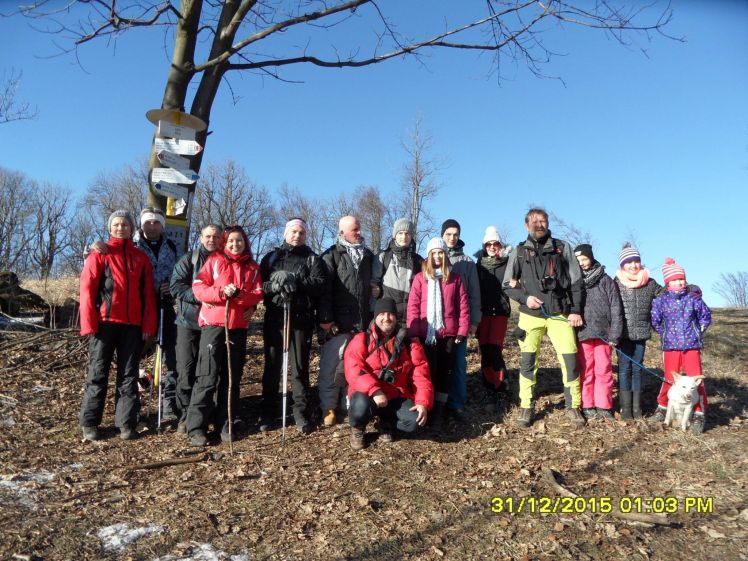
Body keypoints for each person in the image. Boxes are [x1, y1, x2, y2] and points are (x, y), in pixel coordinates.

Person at [502, 208, 586, 428]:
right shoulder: (519, 251)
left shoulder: (562, 248)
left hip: (560, 314)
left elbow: (577, 282)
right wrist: (524, 298)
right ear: (526, 225)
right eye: (535, 221)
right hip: (530, 315)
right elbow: (506, 285)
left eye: (543, 221)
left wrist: (576, 310)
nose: (539, 224)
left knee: (569, 361)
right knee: (528, 361)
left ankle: (573, 405)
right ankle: (526, 405)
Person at [79, 210, 157, 441]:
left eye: (125, 225)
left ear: (131, 228)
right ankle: (90, 423)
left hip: (132, 326)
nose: (121, 228)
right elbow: (87, 290)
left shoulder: (140, 257)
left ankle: (125, 423)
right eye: (116, 225)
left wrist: (148, 325)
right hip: (104, 324)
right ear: (110, 228)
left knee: (128, 376)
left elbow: (148, 295)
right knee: (97, 373)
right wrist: (89, 322)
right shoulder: (99, 254)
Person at [186, 226, 263, 446]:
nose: (234, 245)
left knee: (232, 378)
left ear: (245, 243)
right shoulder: (215, 260)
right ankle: (197, 427)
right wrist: (221, 293)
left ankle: (226, 422)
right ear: (224, 243)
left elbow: (258, 294)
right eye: (230, 241)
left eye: (239, 241)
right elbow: (199, 287)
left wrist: (239, 296)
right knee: (207, 376)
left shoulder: (252, 267)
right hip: (214, 325)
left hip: (238, 327)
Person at [259, 218, 326, 434]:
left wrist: (296, 282)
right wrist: (275, 285)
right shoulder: (272, 258)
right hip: (276, 318)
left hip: (301, 319)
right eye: (294, 232)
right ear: (286, 233)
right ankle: (269, 411)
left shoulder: (312, 259)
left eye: (301, 233)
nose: (297, 236)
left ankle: (300, 411)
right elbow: (260, 286)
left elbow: (319, 285)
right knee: (273, 366)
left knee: (299, 368)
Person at [344, 297, 433, 450]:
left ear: (396, 317)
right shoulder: (362, 339)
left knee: (414, 421)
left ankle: (387, 422)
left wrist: (422, 403)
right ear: (375, 316)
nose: (386, 318)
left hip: (396, 395)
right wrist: (375, 390)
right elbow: (353, 369)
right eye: (382, 314)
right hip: (369, 394)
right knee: (360, 406)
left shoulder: (409, 343)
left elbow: (421, 375)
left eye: (390, 314)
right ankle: (357, 428)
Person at [316, 216, 375, 427]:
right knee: (332, 366)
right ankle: (328, 407)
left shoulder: (368, 256)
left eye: (359, 229)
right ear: (342, 233)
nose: (359, 233)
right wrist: (326, 318)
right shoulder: (331, 256)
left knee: (356, 366)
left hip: (362, 322)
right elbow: (324, 291)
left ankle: (348, 404)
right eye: (354, 230)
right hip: (338, 322)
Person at [406, 237, 469, 429]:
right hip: (426, 334)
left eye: (440, 252)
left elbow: (463, 307)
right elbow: (413, 307)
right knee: (428, 372)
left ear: (445, 255)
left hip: (448, 334)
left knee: (444, 373)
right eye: (433, 253)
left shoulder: (455, 278)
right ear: (429, 255)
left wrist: (462, 331)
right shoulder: (420, 278)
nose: (437, 256)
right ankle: (427, 408)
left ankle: (439, 411)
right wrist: (413, 333)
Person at [169, 223, 222, 433]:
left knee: (209, 371)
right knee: (186, 369)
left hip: (213, 323)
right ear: (201, 238)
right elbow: (176, 286)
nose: (212, 240)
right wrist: (200, 297)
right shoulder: (189, 259)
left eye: (216, 237)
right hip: (188, 322)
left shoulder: (224, 261)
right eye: (208, 236)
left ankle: (207, 414)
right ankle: (185, 415)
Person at [650, 257, 712, 433]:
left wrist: (699, 330)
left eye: (681, 279)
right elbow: (655, 320)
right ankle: (663, 406)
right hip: (671, 346)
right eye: (674, 279)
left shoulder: (693, 298)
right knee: (670, 378)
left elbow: (705, 315)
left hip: (691, 345)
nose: (679, 282)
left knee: (695, 379)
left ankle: (699, 413)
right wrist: (664, 333)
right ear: (668, 282)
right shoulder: (661, 300)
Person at [135, 207, 180, 421]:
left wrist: (172, 287)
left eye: (156, 222)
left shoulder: (171, 246)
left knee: (171, 355)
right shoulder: (133, 245)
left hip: (165, 304)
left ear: (162, 225)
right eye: (148, 222)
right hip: (138, 307)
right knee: (133, 355)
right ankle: (131, 407)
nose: (152, 226)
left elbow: (181, 272)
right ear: (141, 224)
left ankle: (169, 404)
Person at [573, 244, 623, 422]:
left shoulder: (606, 280)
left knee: (604, 370)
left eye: (585, 259)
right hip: (583, 333)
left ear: (591, 258)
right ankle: (587, 405)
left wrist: (615, 334)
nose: (582, 263)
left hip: (604, 335)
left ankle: (604, 405)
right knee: (586, 371)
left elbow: (616, 308)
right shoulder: (575, 280)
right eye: (578, 261)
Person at [613, 243, 663, 420]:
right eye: (629, 262)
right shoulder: (616, 283)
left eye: (636, 261)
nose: (633, 265)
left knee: (637, 368)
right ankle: (625, 408)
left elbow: (666, 294)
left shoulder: (649, 283)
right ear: (622, 265)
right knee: (624, 369)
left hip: (641, 333)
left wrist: (687, 288)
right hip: (622, 334)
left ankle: (637, 408)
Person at [440, 219, 481, 422]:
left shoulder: (467, 262)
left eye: (455, 234)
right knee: (436, 363)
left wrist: (474, 321)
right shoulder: (433, 257)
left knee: (458, 364)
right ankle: (436, 403)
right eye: (448, 234)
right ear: (442, 235)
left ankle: (456, 403)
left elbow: (474, 294)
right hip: (436, 324)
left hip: (460, 322)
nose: (452, 238)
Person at [474, 226, 513, 394]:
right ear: (484, 247)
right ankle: (488, 382)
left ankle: (500, 384)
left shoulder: (508, 263)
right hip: (483, 313)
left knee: (495, 349)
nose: (491, 247)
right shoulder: (478, 266)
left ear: (500, 245)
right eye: (488, 244)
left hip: (500, 311)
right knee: (484, 349)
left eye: (495, 243)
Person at [371, 218, 424, 321]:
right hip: (388, 316)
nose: (404, 237)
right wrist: (375, 287)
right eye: (400, 233)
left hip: (411, 315)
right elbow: (374, 281)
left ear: (411, 236)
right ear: (395, 235)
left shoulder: (418, 261)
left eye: (407, 233)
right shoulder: (383, 256)